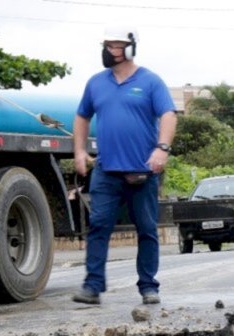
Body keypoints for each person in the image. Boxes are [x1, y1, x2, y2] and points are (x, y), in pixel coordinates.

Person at [72, 26, 177, 306]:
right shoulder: (96, 83)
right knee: (98, 226)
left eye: (117, 46)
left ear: (131, 47)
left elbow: (168, 114)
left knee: (146, 229)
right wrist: (80, 150)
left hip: (142, 171)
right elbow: (82, 117)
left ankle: (148, 286)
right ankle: (92, 286)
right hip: (106, 170)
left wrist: (162, 149)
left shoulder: (151, 81)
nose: (111, 51)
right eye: (107, 45)